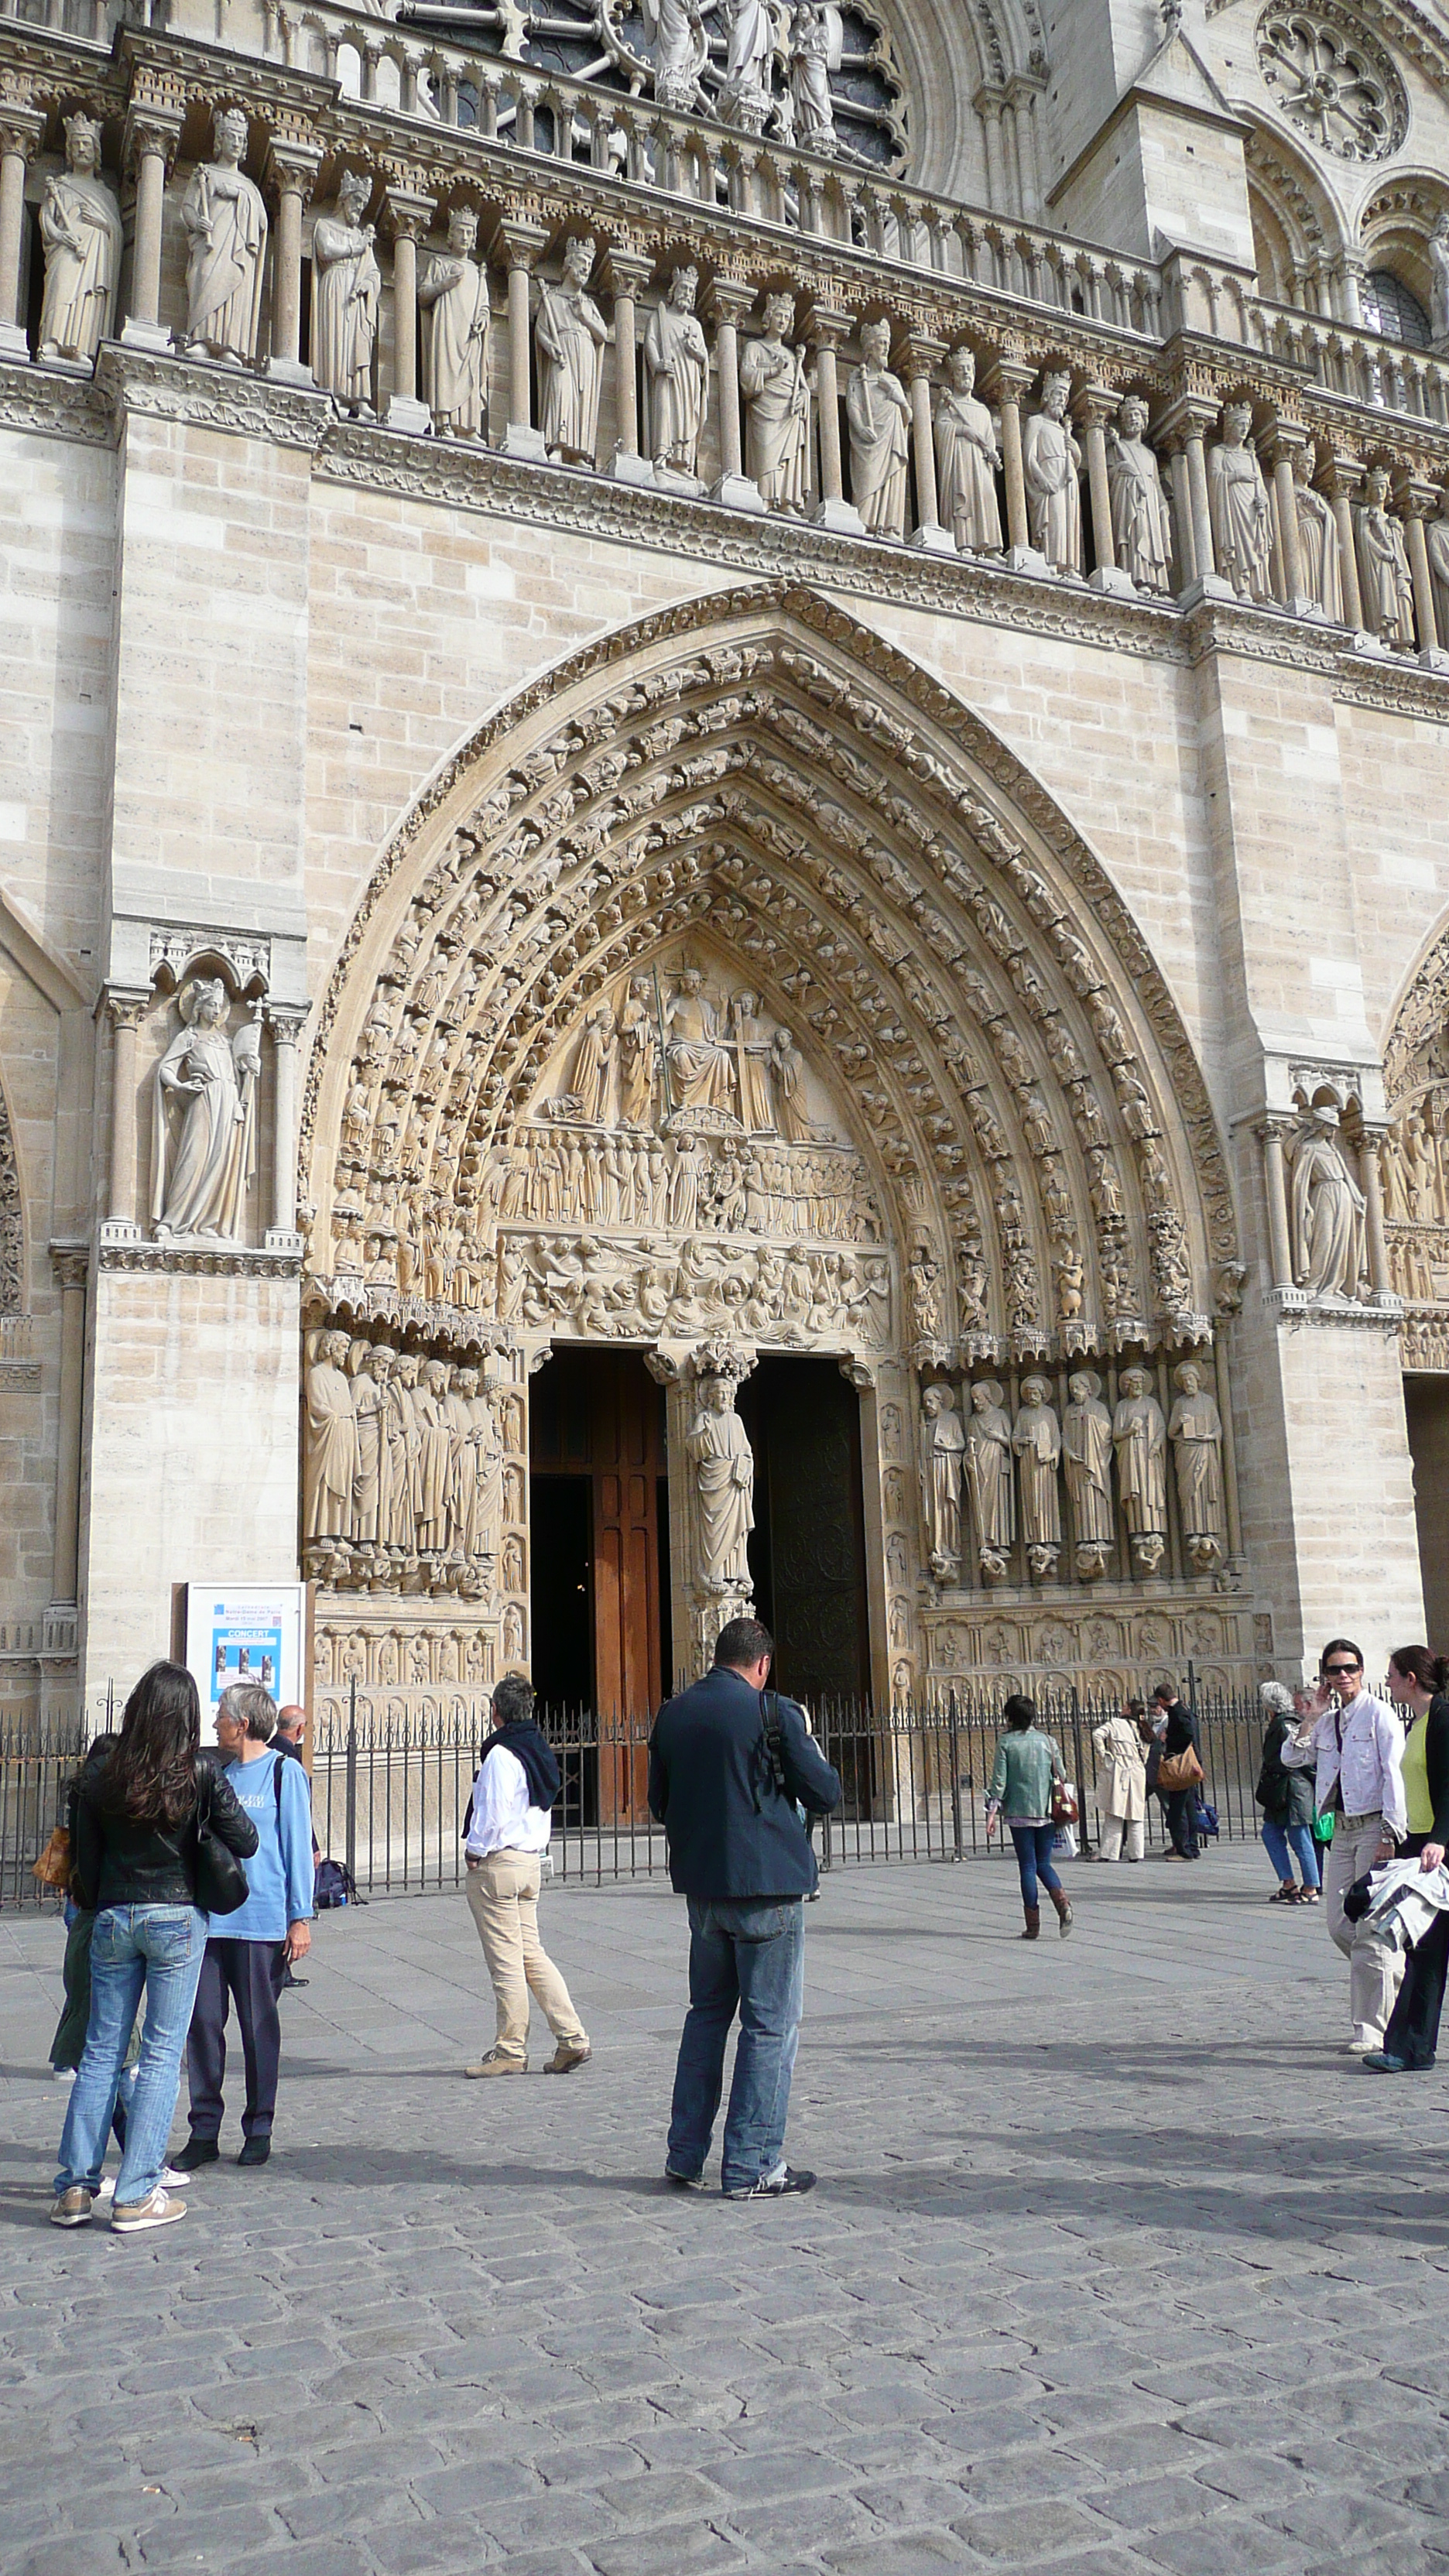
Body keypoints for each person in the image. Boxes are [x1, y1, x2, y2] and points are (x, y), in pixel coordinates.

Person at [51, 1663, 257, 2232]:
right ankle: (136, 2191)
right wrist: (197, 1822)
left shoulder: (101, 1775)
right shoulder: (199, 1772)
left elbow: (85, 1867)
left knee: (101, 2052)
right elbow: (247, 1840)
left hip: (115, 1916)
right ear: (186, 1716)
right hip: (176, 1918)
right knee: (164, 2054)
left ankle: (74, 2187)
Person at [648, 1615, 841, 2197]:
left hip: (705, 1893)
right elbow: (826, 1793)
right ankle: (753, 2163)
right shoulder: (774, 1712)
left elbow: (660, 1803)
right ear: (763, 1664)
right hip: (768, 1892)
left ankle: (685, 2154)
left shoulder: (674, 1713)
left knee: (705, 2018)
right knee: (767, 2026)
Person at [174, 1684, 314, 2172]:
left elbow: (298, 1846)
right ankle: (204, 2128)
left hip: (261, 1922)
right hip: (213, 1922)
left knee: (258, 2029)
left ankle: (259, 2125)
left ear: (244, 1724)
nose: (215, 1724)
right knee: (203, 2026)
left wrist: (300, 1917)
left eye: (221, 1717)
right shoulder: (217, 1775)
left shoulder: (283, 1773)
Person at [462, 1673, 591, 2078]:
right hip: (530, 1861)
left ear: (495, 1711)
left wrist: (474, 1850)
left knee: (507, 1963)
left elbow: (493, 1813)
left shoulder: (502, 1754)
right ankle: (571, 2037)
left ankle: (511, 2049)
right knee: (531, 1954)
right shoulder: (538, 1749)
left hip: (500, 1864)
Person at [1283, 1638, 1407, 2053]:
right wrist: (1312, 1717)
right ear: (1326, 1676)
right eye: (1334, 1670)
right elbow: (1291, 1758)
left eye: (1350, 1668)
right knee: (1341, 1924)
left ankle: (1370, 2029)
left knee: (1370, 1927)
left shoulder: (1379, 1715)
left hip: (1374, 1828)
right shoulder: (1330, 1719)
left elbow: (1394, 1775)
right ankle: (1394, 1971)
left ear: (1361, 1671)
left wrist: (1391, 1834)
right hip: (1341, 1829)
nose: (1343, 1676)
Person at [1365, 1647, 1449, 2074]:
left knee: (1428, 1949)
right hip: (1420, 1845)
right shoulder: (1416, 1721)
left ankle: (1408, 2048)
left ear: (1412, 1678)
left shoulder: (1444, 1719)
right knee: (1425, 1949)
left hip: (1440, 1849)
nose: (1389, 1681)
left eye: (1393, 1675)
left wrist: (1440, 1839)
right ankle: (1410, 2048)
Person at [987, 1694, 1073, 1939]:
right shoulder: (1047, 1740)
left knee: (1027, 1865)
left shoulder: (1006, 1743)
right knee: (1043, 1863)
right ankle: (1063, 1903)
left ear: (1010, 1717)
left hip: (1019, 1812)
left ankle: (1033, 1925)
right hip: (1047, 1810)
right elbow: (1062, 1774)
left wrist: (991, 1814)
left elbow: (999, 1782)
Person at [1255, 1681, 1321, 1903]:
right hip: (1281, 1791)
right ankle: (1288, 1883)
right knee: (1271, 1834)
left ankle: (1311, 1887)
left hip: (1293, 1790)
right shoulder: (1282, 1723)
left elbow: (1300, 1757)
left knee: (1300, 1838)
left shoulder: (1285, 1725)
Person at [1090, 1701, 1148, 1862]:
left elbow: (1097, 1734)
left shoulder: (1116, 1723)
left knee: (1115, 1813)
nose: (1121, 1709)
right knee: (1135, 1814)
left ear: (1129, 1710)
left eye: (1124, 1706)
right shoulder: (1144, 1729)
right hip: (1138, 1771)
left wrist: (1105, 1755)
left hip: (1120, 1770)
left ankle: (1109, 1853)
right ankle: (1136, 1853)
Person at [1152, 1679, 1201, 1862]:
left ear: (1161, 1700)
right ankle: (1193, 1847)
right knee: (1189, 1808)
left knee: (1177, 1810)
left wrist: (1169, 1739)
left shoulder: (1177, 1713)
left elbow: (1188, 1735)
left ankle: (1183, 1851)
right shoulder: (1184, 1709)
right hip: (1189, 1767)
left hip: (1180, 1767)